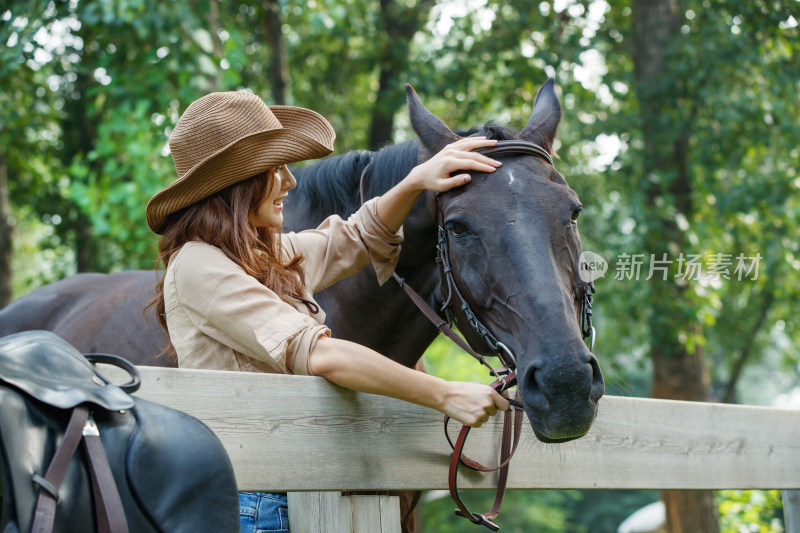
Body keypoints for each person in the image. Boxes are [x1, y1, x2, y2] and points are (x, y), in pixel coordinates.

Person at [146, 90, 509, 533]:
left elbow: (354, 238)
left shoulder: (258, 256)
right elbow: (322, 356)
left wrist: (417, 181)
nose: (290, 182)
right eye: (274, 169)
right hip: (254, 504)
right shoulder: (199, 264)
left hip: (290, 492)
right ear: (237, 182)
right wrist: (445, 394)